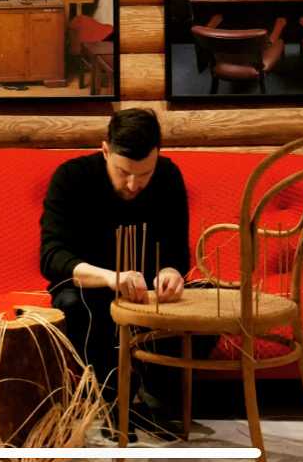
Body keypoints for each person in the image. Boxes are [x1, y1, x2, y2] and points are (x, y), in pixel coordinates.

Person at [39, 108, 210, 433]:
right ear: (105, 150)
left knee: (211, 304)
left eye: (144, 174)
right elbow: (51, 257)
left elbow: (176, 250)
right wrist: (110, 277)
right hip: (91, 292)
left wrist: (172, 271)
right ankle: (115, 397)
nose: (133, 185)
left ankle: (154, 395)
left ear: (157, 155)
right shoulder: (71, 178)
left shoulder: (168, 175)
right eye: (123, 172)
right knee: (72, 305)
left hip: (148, 298)